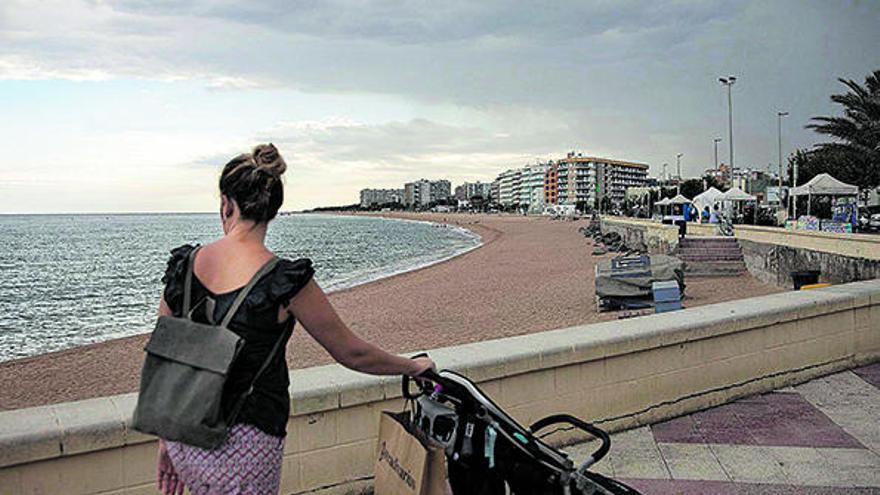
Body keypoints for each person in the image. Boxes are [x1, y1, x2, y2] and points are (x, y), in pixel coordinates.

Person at [153, 144, 435, 495]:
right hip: (248, 444)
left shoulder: (184, 265)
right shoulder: (283, 280)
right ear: (273, 210)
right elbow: (352, 353)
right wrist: (412, 366)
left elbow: (166, 358)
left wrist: (167, 444)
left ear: (226, 203)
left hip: (187, 437)